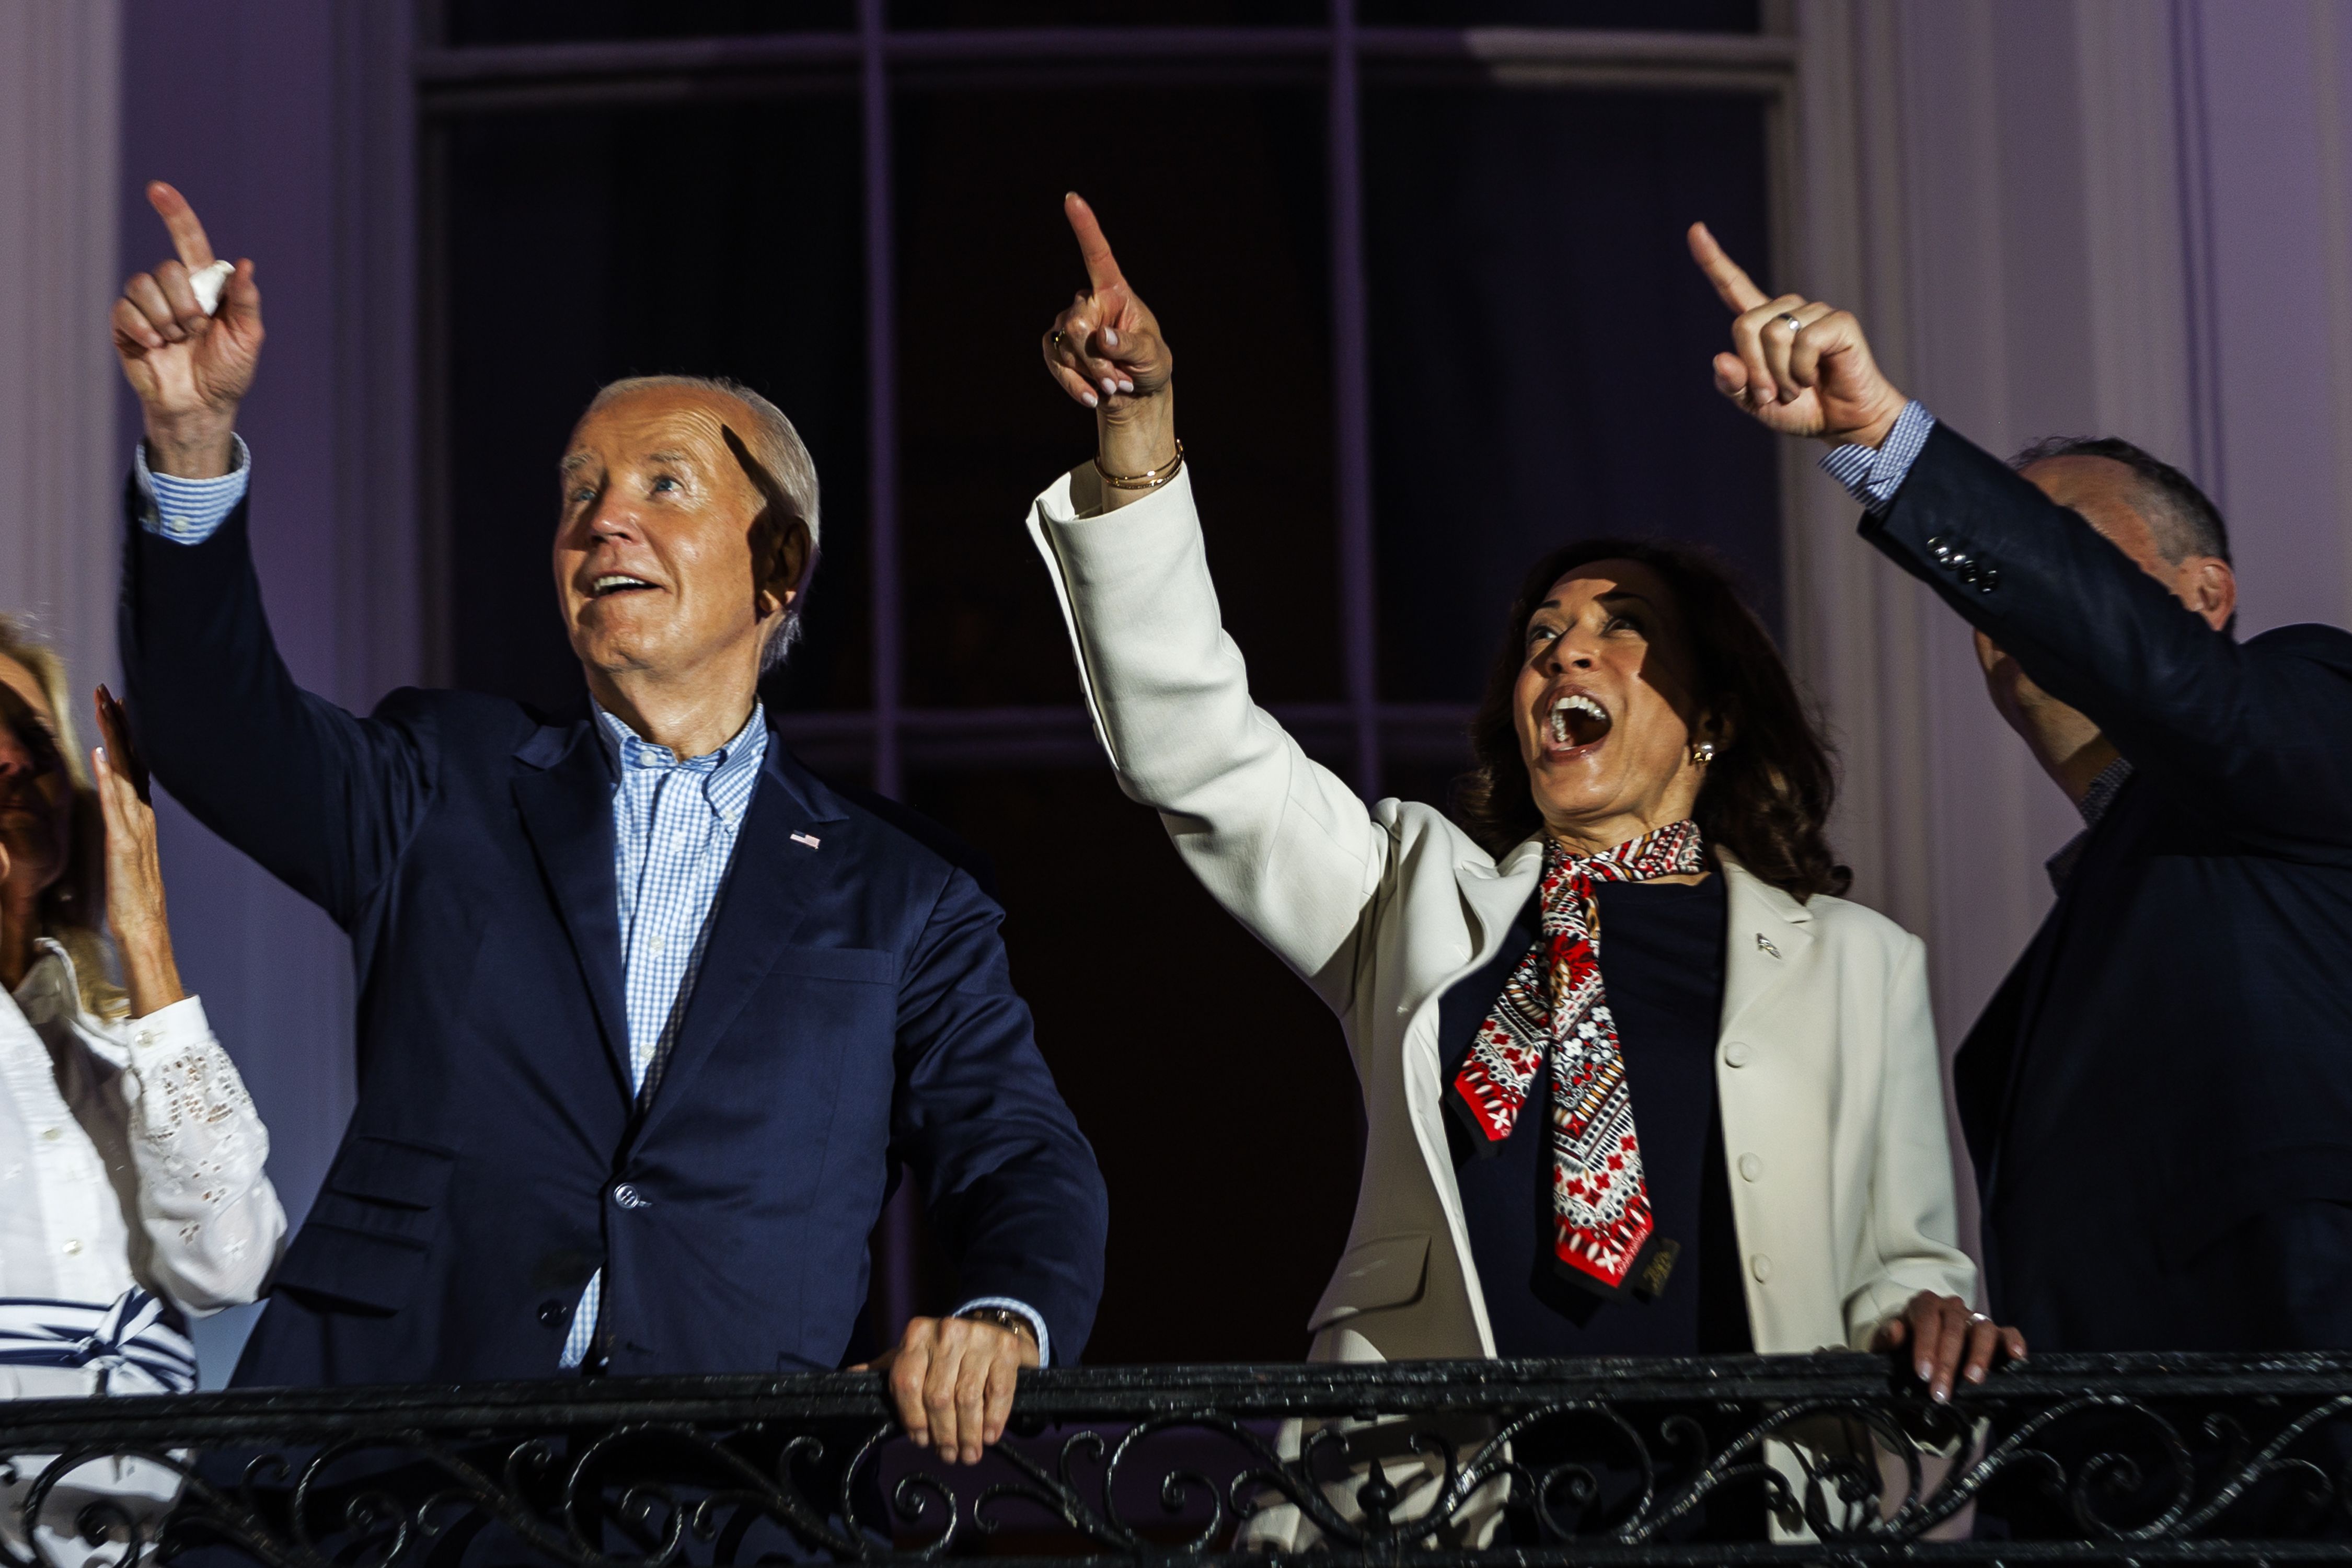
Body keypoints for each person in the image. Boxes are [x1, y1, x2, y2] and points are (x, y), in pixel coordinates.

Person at [1023, 195, 2021, 1541]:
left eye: (1624, 633)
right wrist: (1139, 442)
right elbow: (1197, 748)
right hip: (1442, 1506)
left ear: (1709, 721)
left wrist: (1925, 1319)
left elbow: (1903, 1266)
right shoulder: (1413, 893)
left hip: (1737, 1506)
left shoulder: (1858, 963)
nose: (1568, 652)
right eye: (1546, 634)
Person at [110, 181, 1106, 1461]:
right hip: (387, 1481)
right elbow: (216, 732)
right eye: (579, 490)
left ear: (780, 566)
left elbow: (1021, 1155)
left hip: (721, 1498)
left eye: (663, 482)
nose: (602, 519)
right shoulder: (445, 774)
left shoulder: (903, 895)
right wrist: (191, 442)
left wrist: (1002, 1318)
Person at [1688, 223, 2352, 1353]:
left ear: (2202, 597)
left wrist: (1888, 444)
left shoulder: (2307, 699)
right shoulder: (2015, 1027)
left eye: (2061, 545)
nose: (2004, 598)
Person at [0, 627, 284, 1557]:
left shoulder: (127, 1050)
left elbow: (231, 1264)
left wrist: (146, 939)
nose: (6, 762)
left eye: (32, 743)